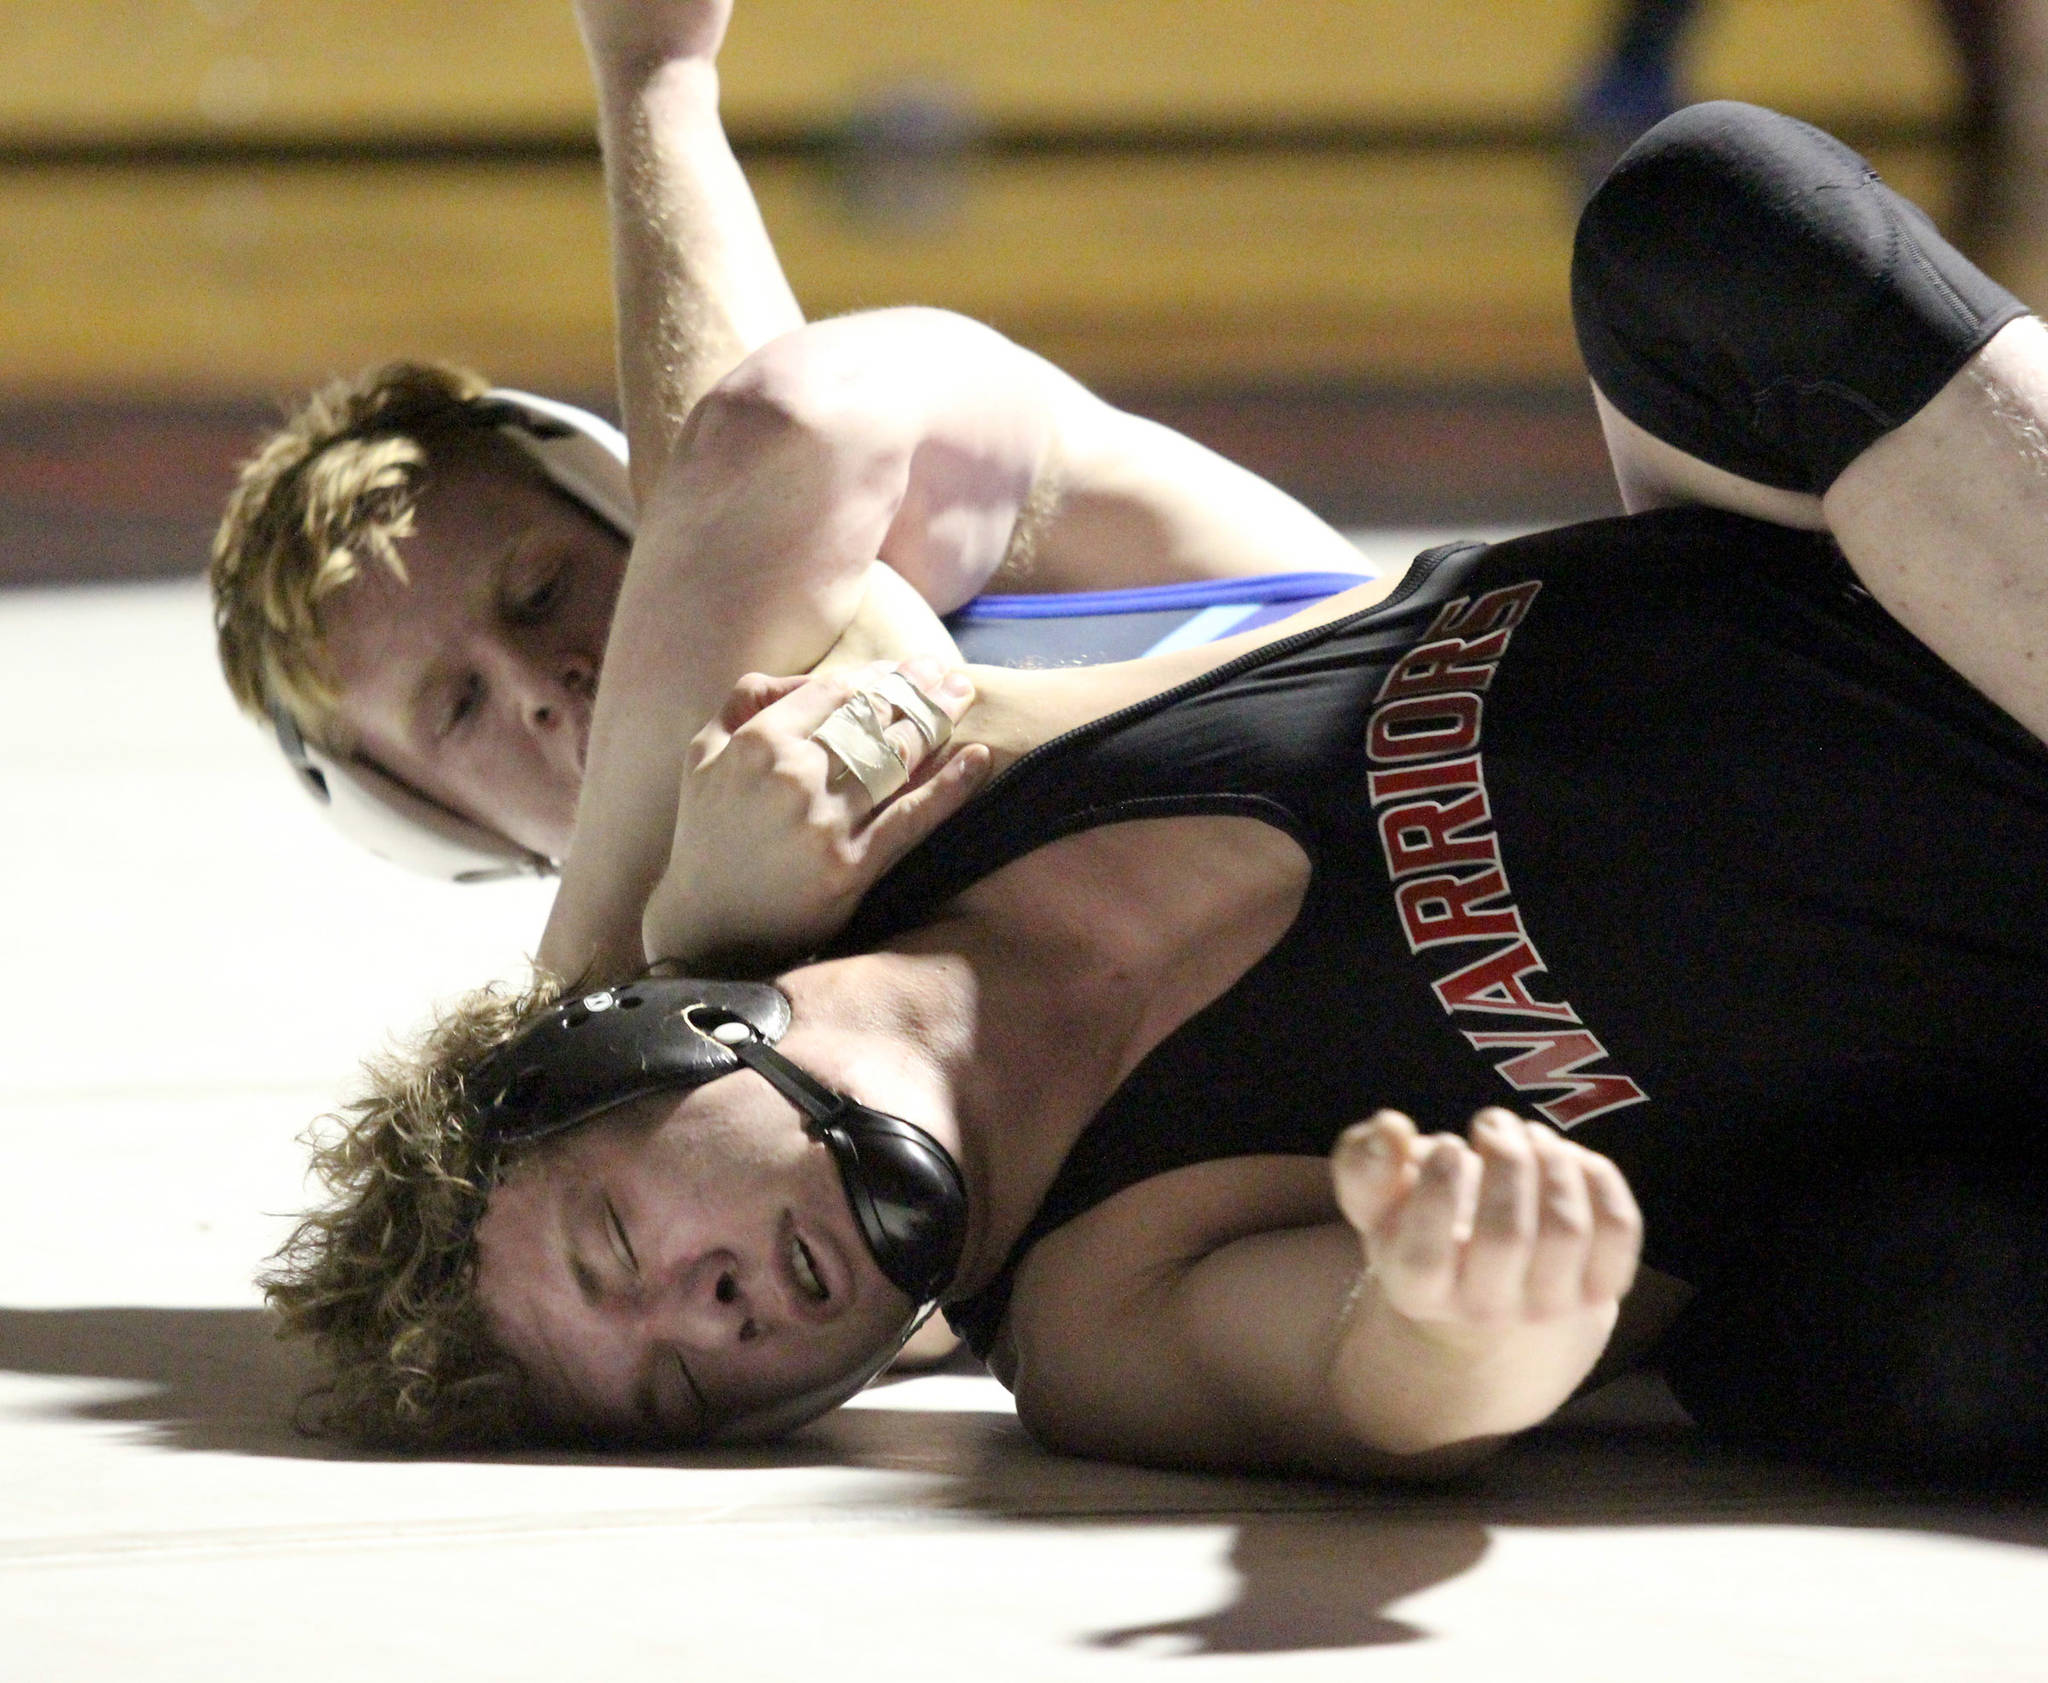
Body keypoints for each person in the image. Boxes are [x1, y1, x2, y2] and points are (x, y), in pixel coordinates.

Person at [268, 103, 2048, 1484]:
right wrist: (1459, 1320)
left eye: (615, 1251)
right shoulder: (1088, 1317)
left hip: (1932, 617)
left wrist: (634, 929)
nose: (711, 1317)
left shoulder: (879, 778)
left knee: (1699, 212)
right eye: (677, 1390)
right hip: (1977, 1078)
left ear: (619, 1053)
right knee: (1927, 1338)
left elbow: (774, 436)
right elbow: (1361, 1385)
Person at [206, 0, 1370, 885]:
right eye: (456, 707)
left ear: (628, 503)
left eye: (542, 588)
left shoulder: (958, 477)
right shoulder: (797, 1028)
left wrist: (653, 79)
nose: (544, 684)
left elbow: (773, 447)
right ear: (435, 823)